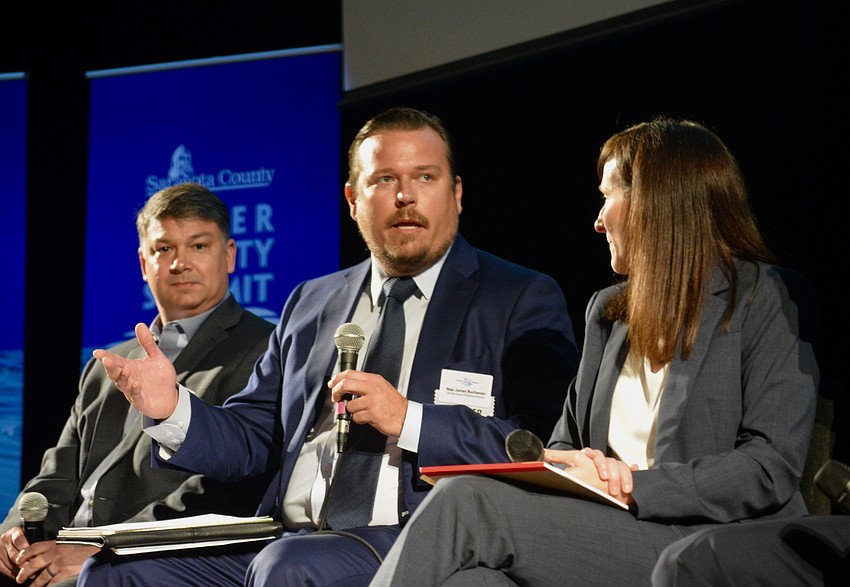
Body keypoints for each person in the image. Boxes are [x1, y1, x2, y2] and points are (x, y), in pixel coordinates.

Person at [77, 106, 579, 586]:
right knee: (113, 572)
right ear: (353, 200)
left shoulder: (517, 296)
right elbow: (254, 438)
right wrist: (172, 410)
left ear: (457, 193)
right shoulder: (313, 301)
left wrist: (409, 419)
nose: (405, 196)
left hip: (414, 534)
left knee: (290, 568)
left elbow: (544, 450)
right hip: (286, 534)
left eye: (425, 177)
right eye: (384, 179)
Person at [368, 116, 822, 586]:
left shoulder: (765, 296)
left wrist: (627, 485)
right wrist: (570, 465)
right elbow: (566, 442)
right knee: (473, 582)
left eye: (608, 196)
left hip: (711, 541)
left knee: (466, 500)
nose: (598, 220)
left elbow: (768, 468)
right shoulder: (609, 312)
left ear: (656, 202)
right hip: (612, 533)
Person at [0, 183, 275, 586]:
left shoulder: (265, 351)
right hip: (64, 550)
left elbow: (225, 493)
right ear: (144, 263)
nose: (181, 263)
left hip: (147, 560)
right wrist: (13, 532)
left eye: (199, 246)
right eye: (164, 249)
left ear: (229, 255)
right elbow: (57, 473)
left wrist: (104, 549)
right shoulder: (108, 363)